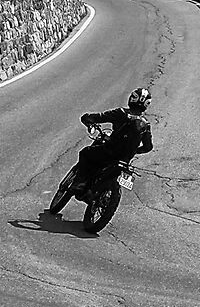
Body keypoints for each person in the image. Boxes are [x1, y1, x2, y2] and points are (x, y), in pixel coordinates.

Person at [47, 87, 154, 215]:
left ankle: (80, 182)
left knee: (85, 153)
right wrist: (133, 151)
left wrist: (87, 118)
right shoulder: (145, 124)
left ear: (132, 99)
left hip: (109, 152)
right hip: (124, 160)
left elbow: (99, 117)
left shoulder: (120, 113)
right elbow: (148, 147)